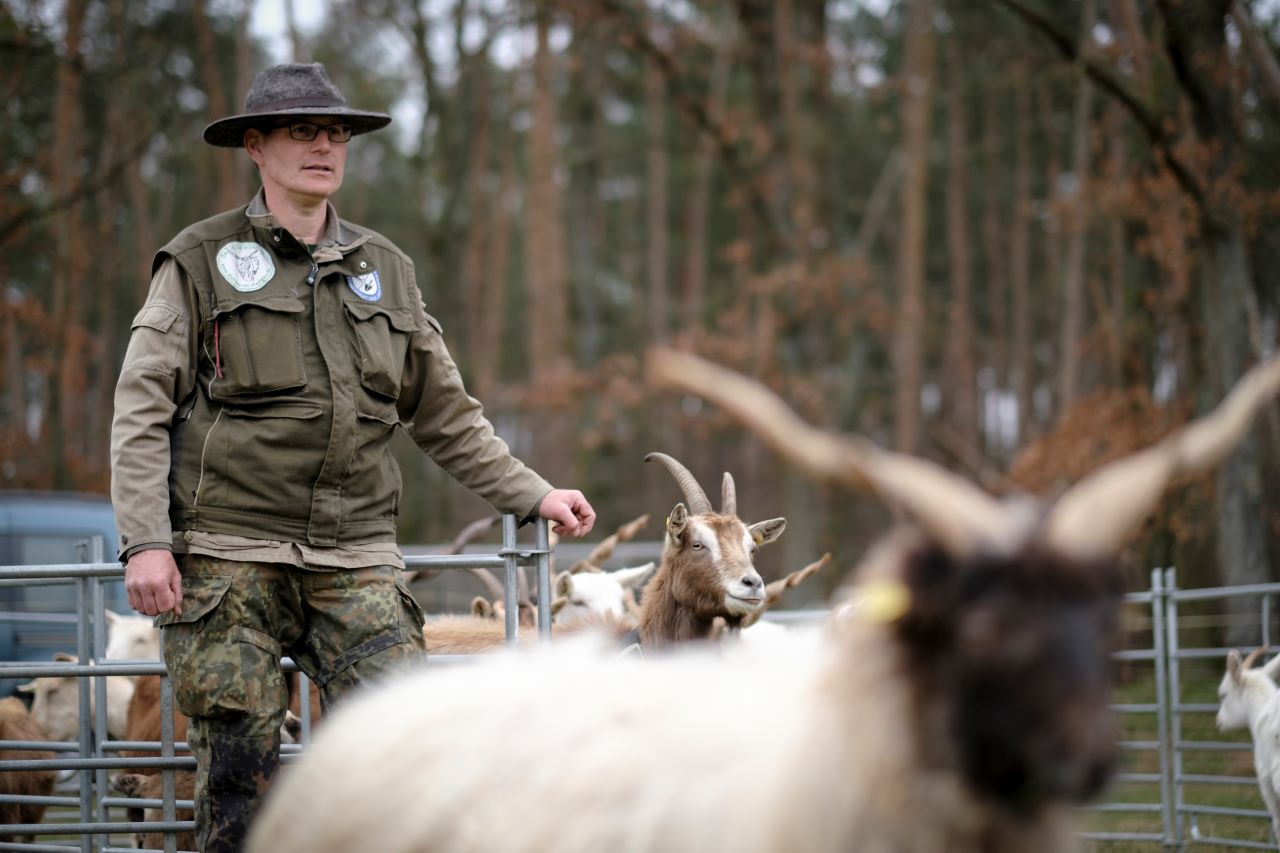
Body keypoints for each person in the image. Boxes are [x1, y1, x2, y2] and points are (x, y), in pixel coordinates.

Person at [110, 62, 595, 852]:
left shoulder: (387, 272)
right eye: (303, 130)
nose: (324, 145)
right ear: (256, 147)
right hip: (230, 554)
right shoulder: (197, 261)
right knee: (240, 775)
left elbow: (446, 414)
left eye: (336, 132)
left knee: (403, 744)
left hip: (356, 554)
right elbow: (140, 408)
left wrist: (531, 491)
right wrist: (147, 538)